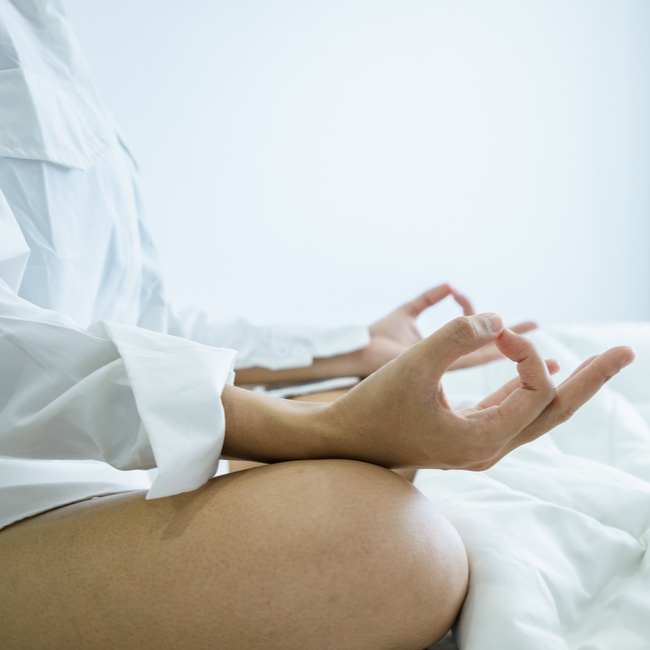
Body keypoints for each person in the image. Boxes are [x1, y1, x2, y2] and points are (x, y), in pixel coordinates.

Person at [0, 2, 634, 649]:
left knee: (401, 428)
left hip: (90, 459)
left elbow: (137, 323)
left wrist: (358, 351)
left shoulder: (47, 34)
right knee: (382, 548)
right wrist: (314, 427)